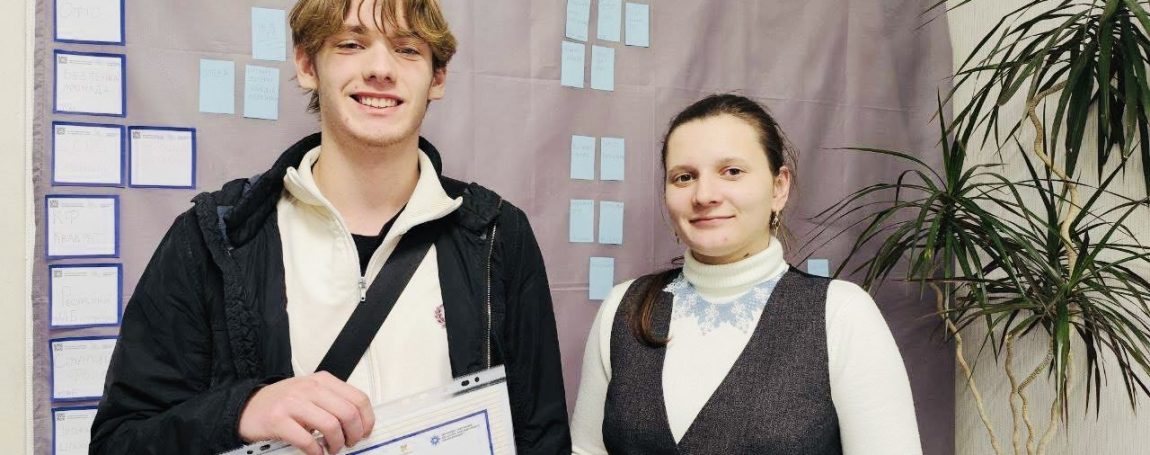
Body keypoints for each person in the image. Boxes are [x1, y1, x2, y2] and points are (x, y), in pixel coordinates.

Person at [90, 0, 570, 453]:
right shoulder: (215, 237)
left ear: (437, 77)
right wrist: (240, 410)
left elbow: (541, 438)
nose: (380, 69)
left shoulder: (497, 235)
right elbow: (119, 440)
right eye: (351, 44)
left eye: (407, 49)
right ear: (307, 65)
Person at [569, 94, 921, 454]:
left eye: (732, 172)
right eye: (684, 177)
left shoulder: (842, 314)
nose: (704, 195)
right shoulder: (624, 308)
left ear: (779, 187)